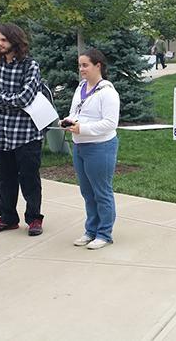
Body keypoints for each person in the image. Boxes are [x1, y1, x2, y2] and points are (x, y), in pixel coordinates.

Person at [0, 23, 45, 236]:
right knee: (4, 179)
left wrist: (3, 99)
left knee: (29, 178)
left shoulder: (30, 66)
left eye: (3, 40)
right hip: (2, 133)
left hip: (27, 134)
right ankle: (8, 218)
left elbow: (26, 97)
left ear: (15, 41)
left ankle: (34, 218)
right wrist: (11, 100)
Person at [61, 49, 120, 250]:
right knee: (87, 192)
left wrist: (83, 128)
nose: (81, 69)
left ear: (98, 66)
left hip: (100, 147)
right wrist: (68, 122)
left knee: (101, 191)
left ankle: (104, 233)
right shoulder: (80, 88)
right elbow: (74, 111)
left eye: (85, 65)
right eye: (79, 65)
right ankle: (91, 230)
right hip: (79, 146)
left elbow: (110, 123)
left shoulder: (108, 92)